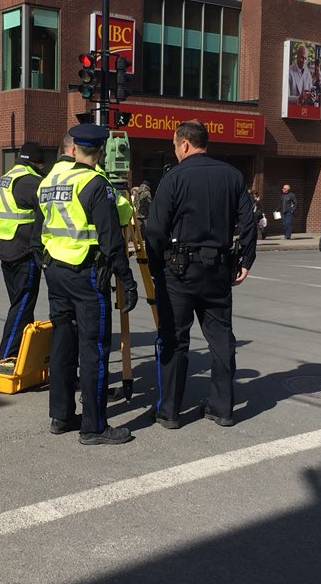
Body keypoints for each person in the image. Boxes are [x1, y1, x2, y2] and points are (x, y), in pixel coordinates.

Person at [145, 120, 256, 429]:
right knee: (221, 339)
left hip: (179, 270)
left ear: (184, 144)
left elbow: (155, 228)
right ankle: (223, 409)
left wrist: (156, 268)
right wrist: (246, 259)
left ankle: (169, 412)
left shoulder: (173, 177)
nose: (175, 151)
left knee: (174, 339)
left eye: (174, 146)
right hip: (219, 268)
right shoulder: (232, 175)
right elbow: (248, 222)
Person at [39, 124, 138, 445]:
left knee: (62, 344)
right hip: (86, 273)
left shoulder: (50, 181)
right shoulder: (96, 183)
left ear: (73, 149)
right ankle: (93, 426)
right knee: (94, 348)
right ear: (100, 152)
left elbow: (42, 227)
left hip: (55, 270)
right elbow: (111, 241)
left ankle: (61, 415)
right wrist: (127, 281)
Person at [0, 141, 45, 359]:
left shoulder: (3, 179)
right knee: (22, 304)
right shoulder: (33, 182)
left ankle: (26, 351)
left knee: (20, 304)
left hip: (5, 248)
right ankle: (6, 356)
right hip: (25, 250)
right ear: (37, 162)